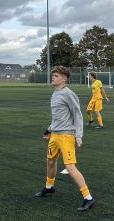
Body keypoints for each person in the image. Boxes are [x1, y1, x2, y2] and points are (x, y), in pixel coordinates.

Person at [34, 66, 95, 212]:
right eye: (53, 75)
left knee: (70, 167)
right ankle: (49, 187)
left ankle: (88, 198)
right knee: (50, 161)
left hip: (67, 136)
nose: (53, 77)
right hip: (55, 134)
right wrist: (49, 129)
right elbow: (58, 116)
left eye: (56, 75)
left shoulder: (69, 94)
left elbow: (77, 115)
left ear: (64, 78)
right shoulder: (55, 93)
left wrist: (79, 136)